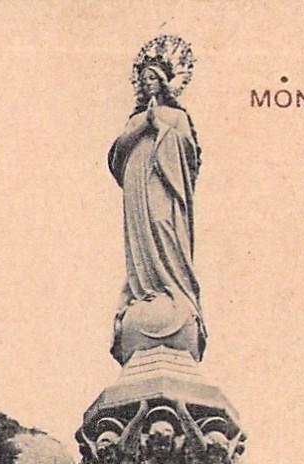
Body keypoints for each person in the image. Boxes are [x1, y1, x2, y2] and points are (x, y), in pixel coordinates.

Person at [108, 60, 205, 360]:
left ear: (164, 81)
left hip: (164, 179)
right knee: (141, 236)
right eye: (143, 78)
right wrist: (141, 128)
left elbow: (189, 154)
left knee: (163, 224)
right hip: (137, 179)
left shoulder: (176, 116)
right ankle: (144, 291)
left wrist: (159, 127)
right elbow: (117, 153)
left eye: (152, 77)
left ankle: (172, 289)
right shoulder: (135, 120)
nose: (147, 82)